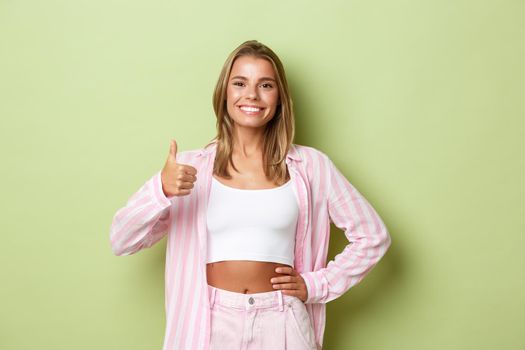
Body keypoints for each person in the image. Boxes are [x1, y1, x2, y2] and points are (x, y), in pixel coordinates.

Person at [109, 40, 391, 350]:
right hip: (210, 322)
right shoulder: (190, 168)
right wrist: (161, 189)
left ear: (279, 97)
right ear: (225, 93)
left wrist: (315, 284)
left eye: (265, 85)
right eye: (240, 83)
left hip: (282, 321)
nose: (252, 95)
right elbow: (122, 240)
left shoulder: (311, 166)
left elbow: (373, 236)